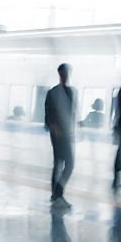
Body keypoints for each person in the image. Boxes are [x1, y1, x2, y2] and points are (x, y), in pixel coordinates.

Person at [44, 63, 77, 207]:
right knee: (60, 163)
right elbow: (48, 114)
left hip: (67, 133)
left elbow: (72, 114)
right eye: (62, 73)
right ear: (59, 74)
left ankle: (56, 193)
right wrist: (54, 126)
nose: (64, 76)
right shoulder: (52, 92)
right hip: (57, 135)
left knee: (67, 164)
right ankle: (57, 194)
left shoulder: (71, 92)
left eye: (66, 73)